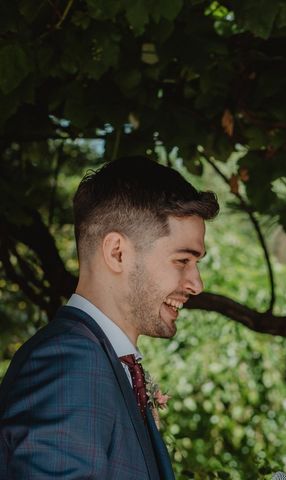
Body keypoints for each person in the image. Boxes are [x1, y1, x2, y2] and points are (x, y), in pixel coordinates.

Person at [0, 156, 219, 479]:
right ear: (117, 252)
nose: (196, 284)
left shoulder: (101, 361)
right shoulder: (69, 363)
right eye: (182, 260)